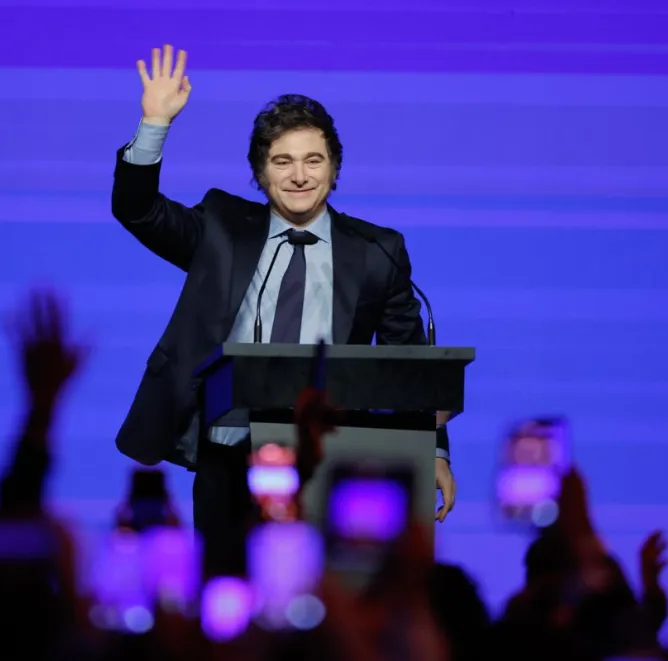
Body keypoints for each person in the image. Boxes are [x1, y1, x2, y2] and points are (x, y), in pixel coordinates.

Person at [111, 44, 457, 553]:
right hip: (229, 451)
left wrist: (435, 451)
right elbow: (137, 210)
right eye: (283, 161)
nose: (299, 176)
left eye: (314, 160)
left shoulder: (377, 250)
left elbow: (409, 368)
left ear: (334, 168)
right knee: (226, 593)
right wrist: (153, 125)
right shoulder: (222, 229)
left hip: (330, 451)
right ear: (260, 172)